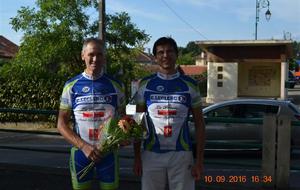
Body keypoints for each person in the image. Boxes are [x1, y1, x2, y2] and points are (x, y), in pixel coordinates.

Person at [133, 37, 206, 190]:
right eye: (161, 52)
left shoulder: (191, 85)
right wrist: (137, 158)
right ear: (155, 57)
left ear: (176, 54)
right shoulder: (145, 84)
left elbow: (200, 124)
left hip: (182, 154)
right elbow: (138, 122)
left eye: (169, 51)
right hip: (151, 153)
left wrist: (199, 161)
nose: (165, 55)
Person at [57, 38, 125, 190]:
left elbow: (126, 115)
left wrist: (127, 132)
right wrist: (84, 146)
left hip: (108, 153)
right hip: (81, 153)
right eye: (91, 54)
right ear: (83, 55)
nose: (95, 59)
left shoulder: (117, 85)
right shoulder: (71, 85)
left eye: (100, 55)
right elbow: (61, 124)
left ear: (104, 57)